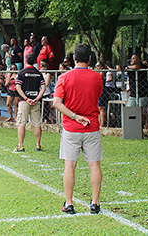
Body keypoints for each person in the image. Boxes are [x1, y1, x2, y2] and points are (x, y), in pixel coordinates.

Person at [53, 44, 103, 215]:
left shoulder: (64, 78)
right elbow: (96, 96)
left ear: (74, 58)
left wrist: (74, 116)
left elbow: (57, 103)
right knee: (94, 165)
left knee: (70, 165)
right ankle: (95, 203)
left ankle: (69, 203)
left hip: (71, 127)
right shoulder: (97, 77)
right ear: (90, 59)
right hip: (91, 126)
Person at [14, 54, 46, 152]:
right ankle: (38, 144)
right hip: (36, 101)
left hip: (24, 101)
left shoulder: (21, 73)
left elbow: (18, 87)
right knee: (37, 123)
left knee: (21, 123)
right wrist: (37, 98)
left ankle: (21, 145)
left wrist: (26, 98)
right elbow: (43, 87)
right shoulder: (38, 73)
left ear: (25, 61)